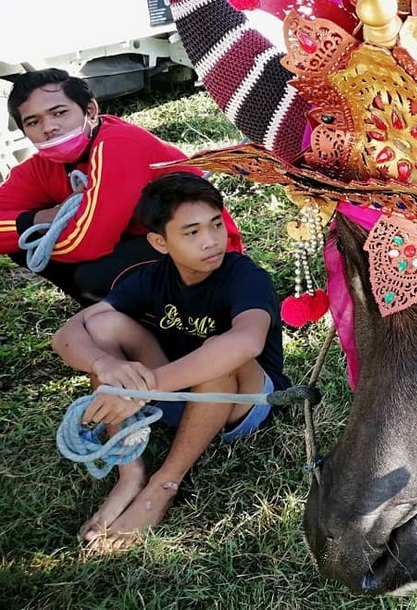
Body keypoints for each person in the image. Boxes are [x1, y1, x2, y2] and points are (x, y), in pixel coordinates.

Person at [52, 172, 289, 547]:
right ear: (160, 242)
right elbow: (66, 336)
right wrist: (106, 367)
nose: (211, 240)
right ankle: (129, 474)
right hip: (177, 393)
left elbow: (247, 343)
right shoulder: (149, 277)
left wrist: (139, 389)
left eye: (215, 225)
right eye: (191, 232)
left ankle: (163, 485)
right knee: (104, 326)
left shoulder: (243, 275)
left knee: (220, 350)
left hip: (242, 402)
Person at [0, 69, 242, 305]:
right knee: (26, 239)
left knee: (88, 273)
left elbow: (89, 243)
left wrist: (40, 234)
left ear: (91, 111)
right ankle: (112, 315)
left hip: (203, 249)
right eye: (33, 122)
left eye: (59, 112)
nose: (48, 127)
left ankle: (173, 320)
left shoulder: (118, 144)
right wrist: (40, 219)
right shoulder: (45, 165)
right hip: (144, 243)